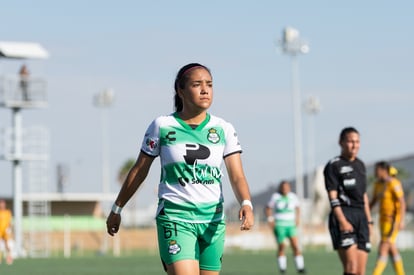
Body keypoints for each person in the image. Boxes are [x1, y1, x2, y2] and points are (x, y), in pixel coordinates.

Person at [106, 63, 254, 275]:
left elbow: (237, 175)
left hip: (212, 221)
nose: (205, 90)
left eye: (209, 85)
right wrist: (117, 209)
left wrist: (246, 203)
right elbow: (139, 171)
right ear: (180, 90)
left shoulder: (224, 129)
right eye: (197, 84)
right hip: (175, 218)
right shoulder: (162, 125)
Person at [323, 127, 373, 275]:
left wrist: (369, 221)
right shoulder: (334, 165)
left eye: (357, 141)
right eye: (350, 141)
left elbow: (363, 195)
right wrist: (342, 221)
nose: (354, 145)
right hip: (344, 214)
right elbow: (332, 196)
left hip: (361, 218)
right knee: (351, 268)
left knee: (360, 271)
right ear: (341, 142)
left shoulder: (360, 165)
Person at [369, 161, 406, 275]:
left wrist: (401, 220)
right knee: (391, 249)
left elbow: (402, 202)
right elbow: (374, 201)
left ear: (384, 170)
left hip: (393, 221)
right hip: (382, 221)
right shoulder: (378, 185)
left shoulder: (394, 183)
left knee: (383, 246)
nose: (375, 172)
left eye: (377, 170)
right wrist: (365, 212)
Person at [265, 180, 306, 274]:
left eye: (287, 187)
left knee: (295, 245)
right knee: (282, 246)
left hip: (291, 225)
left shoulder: (293, 196)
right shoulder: (275, 197)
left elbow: (298, 207)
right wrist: (270, 220)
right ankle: (282, 268)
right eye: (283, 188)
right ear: (280, 188)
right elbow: (268, 208)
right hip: (280, 225)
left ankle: (300, 267)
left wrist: (297, 218)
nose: (285, 189)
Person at [0, 199, 13, 265]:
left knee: (7, 245)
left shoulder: (8, 212)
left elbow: (9, 222)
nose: (2, 205)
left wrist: (9, 228)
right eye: (1, 203)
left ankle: (9, 257)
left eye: (3, 203)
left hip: (5, 231)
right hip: (0, 231)